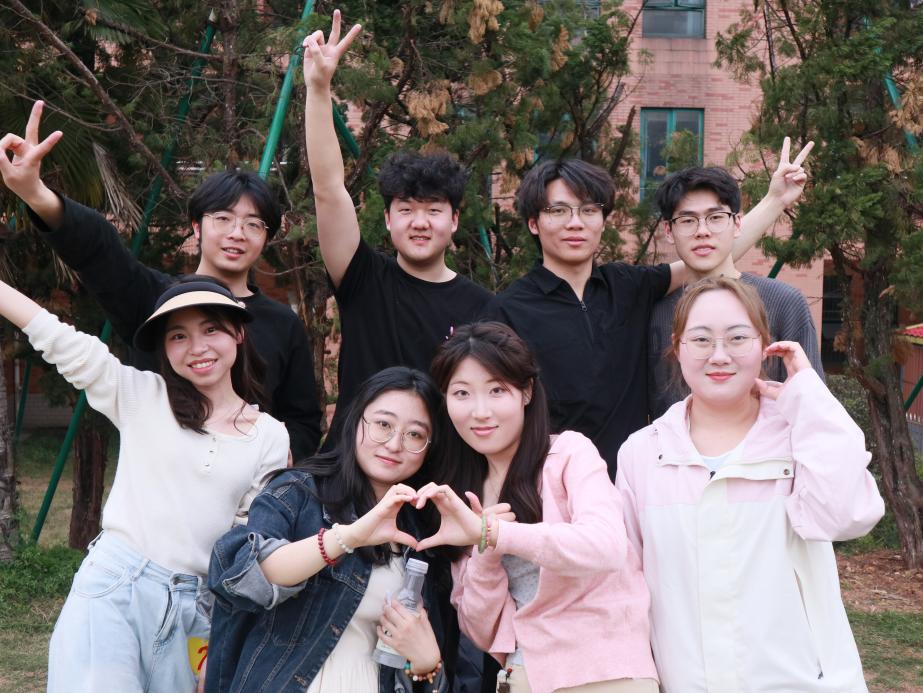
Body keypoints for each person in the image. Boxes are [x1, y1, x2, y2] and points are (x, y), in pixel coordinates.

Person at [0, 274, 290, 692]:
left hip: (195, 612)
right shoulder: (144, 395)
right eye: (178, 336)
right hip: (115, 588)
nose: (197, 348)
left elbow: (245, 549)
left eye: (211, 329)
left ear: (239, 333)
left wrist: (220, 641)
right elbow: (58, 338)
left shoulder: (270, 436)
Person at [0, 104, 323, 459]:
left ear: (266, 237)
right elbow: (98, 250)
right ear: (197, 227)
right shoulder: (156, 298)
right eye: (223, 218)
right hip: (161, 478)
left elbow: (303, 421)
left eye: (253, 224)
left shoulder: (283, 324)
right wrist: (36, 194)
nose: (237, 233)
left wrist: (271, 464)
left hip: (252, 488)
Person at [615, 277, 884, 692]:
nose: (719, 355)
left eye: (738, 338)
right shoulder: (643, 453)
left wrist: (808, 397)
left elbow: (847, 515)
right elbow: (626, 584)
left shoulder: (799, 436)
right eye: (701, 339)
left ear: (765, 345)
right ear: (677, 347)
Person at [484, 141, 812, 477]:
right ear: (533, 223)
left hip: (637, 481)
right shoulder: (507, 311)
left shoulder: (628, 286)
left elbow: (708, 254)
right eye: (558, 211)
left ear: (603, 221)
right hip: (554, 484)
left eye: (588, 210)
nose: (575, 223)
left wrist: (775, 200)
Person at [410, 322, 657, 693]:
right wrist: (485, 553)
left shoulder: (568, 453)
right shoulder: (462, 492)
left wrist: (495, 533)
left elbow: (606, 546)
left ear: (526, 391)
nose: (480, 411)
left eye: (497, 390)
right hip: (523, 676)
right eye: (462, 393)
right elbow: (480, 629)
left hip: (607, 673)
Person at [301, 12, 492, 448]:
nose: (420, 222)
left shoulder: (484, 309)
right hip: (353, 471)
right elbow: (328, 189)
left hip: (438, 475)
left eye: (433, 210)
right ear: (388, 220)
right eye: (406, 210)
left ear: (454, 221)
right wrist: (319, 89)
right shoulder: (363, 278)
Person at [206, 367, 456, 693]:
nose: (395, 444)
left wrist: (428, 663)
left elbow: (417, 669)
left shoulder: (422, 537)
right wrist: (348, 537)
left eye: (415, 435)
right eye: (383, 424)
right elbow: (243, 576)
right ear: (356, 421)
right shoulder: (298, 493)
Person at [648, 163, 823, 418]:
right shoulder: (655, 311)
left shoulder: (784, 302)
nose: (702, 231)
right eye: (687, 220)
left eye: (716, 218)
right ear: (668, 230)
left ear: (737, 223)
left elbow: (814, 406)